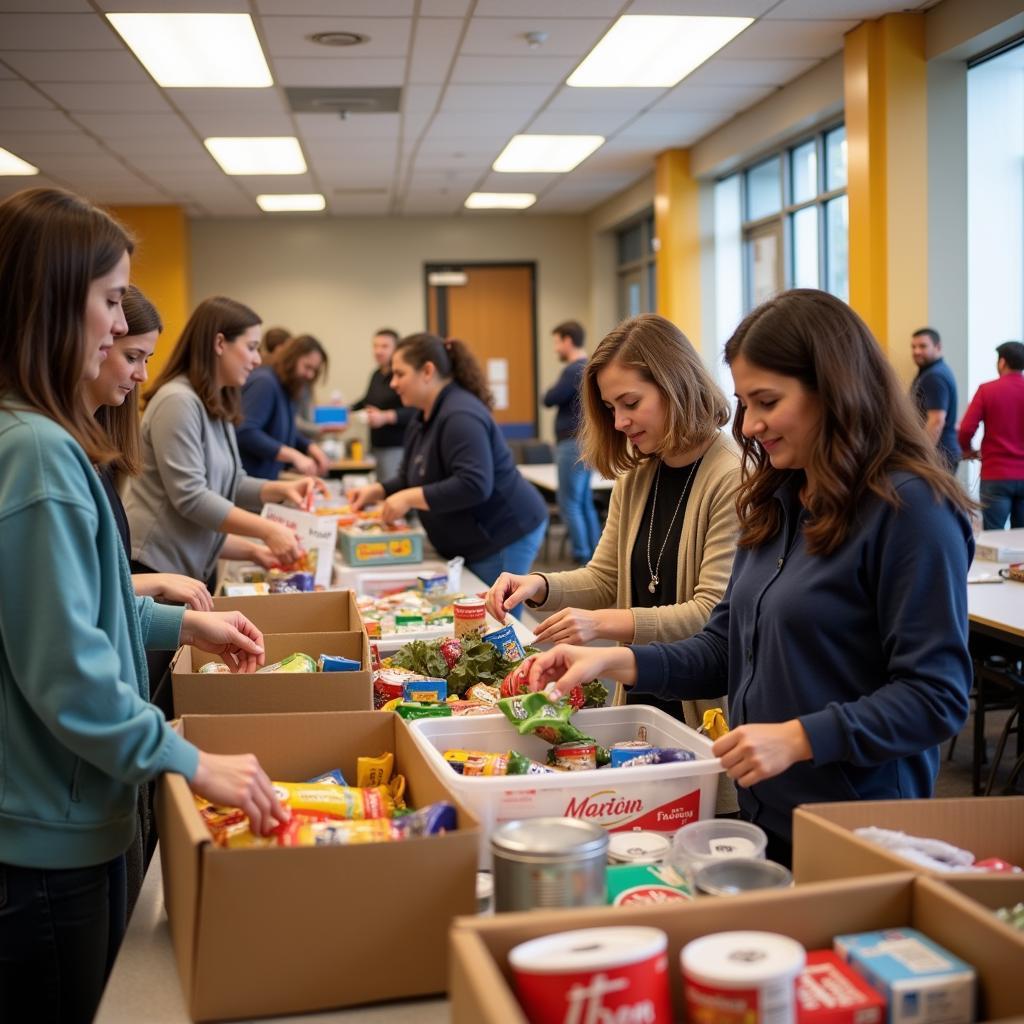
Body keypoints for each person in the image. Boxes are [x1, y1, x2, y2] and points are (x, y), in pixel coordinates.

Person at [524, 290, 974, 865]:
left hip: (857, 823)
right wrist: (615, 661)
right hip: (769, 816)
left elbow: (936, 697)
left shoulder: (911, 511)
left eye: (767, 401)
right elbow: (725, 644)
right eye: (744, 402)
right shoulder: (780, 493)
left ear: (835, 389)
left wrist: (799, 737)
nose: (752, 424)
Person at [0, 187, 287, 1024]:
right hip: (45, 843)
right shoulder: (40, 456)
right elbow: (70, 675)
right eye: (110, 300)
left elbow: (80, 613)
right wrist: (191, 761)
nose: (118, 327)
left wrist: (181, 623)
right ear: (57, 305)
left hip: (58, 820)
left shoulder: (36, 440)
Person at [486, 313, 740, 739]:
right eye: (610, 408)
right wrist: (538, 585)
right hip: (643, 702)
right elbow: (605, 577)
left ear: (675, 386)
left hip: (708, 715)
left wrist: (600, 624)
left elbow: (709, 616)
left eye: (631, 403)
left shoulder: (730, 476)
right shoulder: (639, 473)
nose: (620, 422)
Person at [125, 296, 325, 591]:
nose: (258, 360)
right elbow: (191, 496)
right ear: (220, 344)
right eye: (252, 347)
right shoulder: (177, 401)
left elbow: (232, 482)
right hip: (155, 568)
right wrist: (268, 531)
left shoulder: (215, 401)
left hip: (189, 569)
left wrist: (280, 489)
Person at [349, 333, 548, 595]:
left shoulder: (460, 415)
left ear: (427, 371)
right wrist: (378, 490)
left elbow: (474, 484)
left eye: (400, 374)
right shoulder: (423, 415)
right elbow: (411, 476)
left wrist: (409, 498)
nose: (394, 383)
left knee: (495, 625)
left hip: (502, 535)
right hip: (471, 540)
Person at [86, 285, 214, 612]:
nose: (142, 375)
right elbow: (72, 594)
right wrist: (151, 582)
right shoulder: (177, 400)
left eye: (146, 359)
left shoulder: (102, 442)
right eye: (131, 357)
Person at [543, 319, 601, 565]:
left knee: (569, 503)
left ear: (568, 340)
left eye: (557, 342)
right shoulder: (590, 367)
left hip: (571, 444)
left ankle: (581, 557)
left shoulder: (573, 369)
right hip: (586, 441)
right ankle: (596, 557)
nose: (556, 348)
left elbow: (549, 398)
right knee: (584, 501)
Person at [238, 333, 330, 479]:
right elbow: (246, 431)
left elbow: (283, 430)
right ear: (292, 359)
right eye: (307, 367)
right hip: (248, 484)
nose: (310, 375)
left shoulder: (286, 386)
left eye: (315, 370)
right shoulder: (265, 382)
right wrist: (293, 455)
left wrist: (309, 446)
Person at [958, 340, 1024, 530]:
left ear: (1002, 362)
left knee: (993, 536)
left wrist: (967, 450)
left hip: (996, 474)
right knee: (1022, 539)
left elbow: (966, 428)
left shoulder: (987, 390)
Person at [350, 327, 416, 481]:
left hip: (397, 446)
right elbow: (367, 400)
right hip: (377, 445)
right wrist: (348, 409)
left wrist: (385, 417)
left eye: (384, 346)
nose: (378, 351)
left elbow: (414, 410)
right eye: (375, 346)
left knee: (393, 489)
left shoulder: (405, 375)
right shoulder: (376, 374)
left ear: (397, 349)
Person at [910, 327, 960, 470]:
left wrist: (920, 455)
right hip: (941, 452)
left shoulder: (934, 376)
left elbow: (936, 421)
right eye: (913, 347)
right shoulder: (935, 371)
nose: (916, 351)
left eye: (923, 346)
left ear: (938, 347)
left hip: (937, 455)